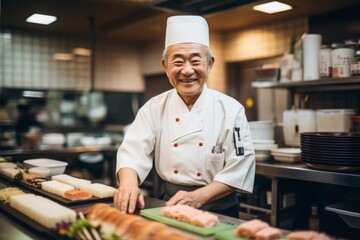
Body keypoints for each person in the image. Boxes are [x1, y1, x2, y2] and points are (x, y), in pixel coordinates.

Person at [114, 15, 255, 218]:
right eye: (178, 61)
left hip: (221, 212)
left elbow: (241, 164)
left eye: (196, 61)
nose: (187, 70)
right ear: (165, 66)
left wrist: (199, 197)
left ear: (209, 63)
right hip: (170, 205)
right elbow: (132, 151)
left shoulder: (231, 109)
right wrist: (128, 184)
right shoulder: (153, 108)